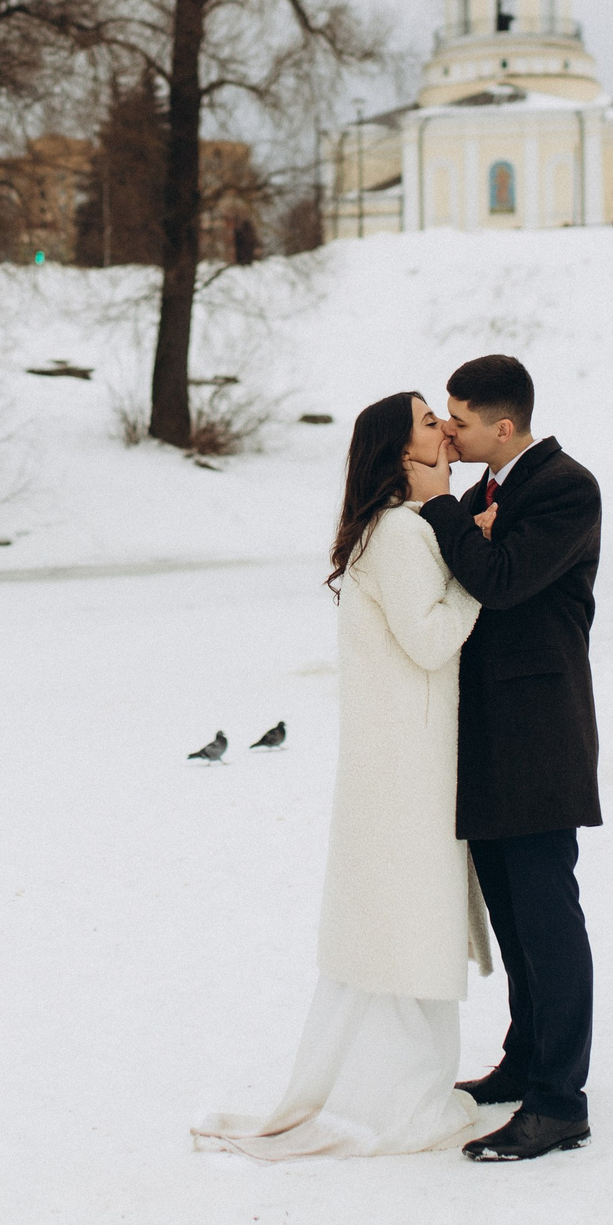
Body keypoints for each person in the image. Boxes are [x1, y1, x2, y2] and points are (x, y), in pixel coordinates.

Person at [193, 391, 493, 1160]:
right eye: (428, 421)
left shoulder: (390, 528)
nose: (444, 428)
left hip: (397, 762)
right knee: (410, 922)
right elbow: (431, 640)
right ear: (401, 452)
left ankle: (399, 1087)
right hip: (411, 769)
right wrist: (475, 574)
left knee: (400, 922)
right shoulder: (399, 533)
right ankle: (407, 1100)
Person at [410, 353, 603, 1163]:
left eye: (459, 419)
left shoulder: (565, 487)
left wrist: (439, 507)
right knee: (515, 920)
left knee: (548, 919)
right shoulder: (483, 497)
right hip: (486, 741)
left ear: (504, 424)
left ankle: (560, 1102)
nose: (449, 432)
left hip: (540, 739)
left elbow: (499, 579)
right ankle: (525, 1061)